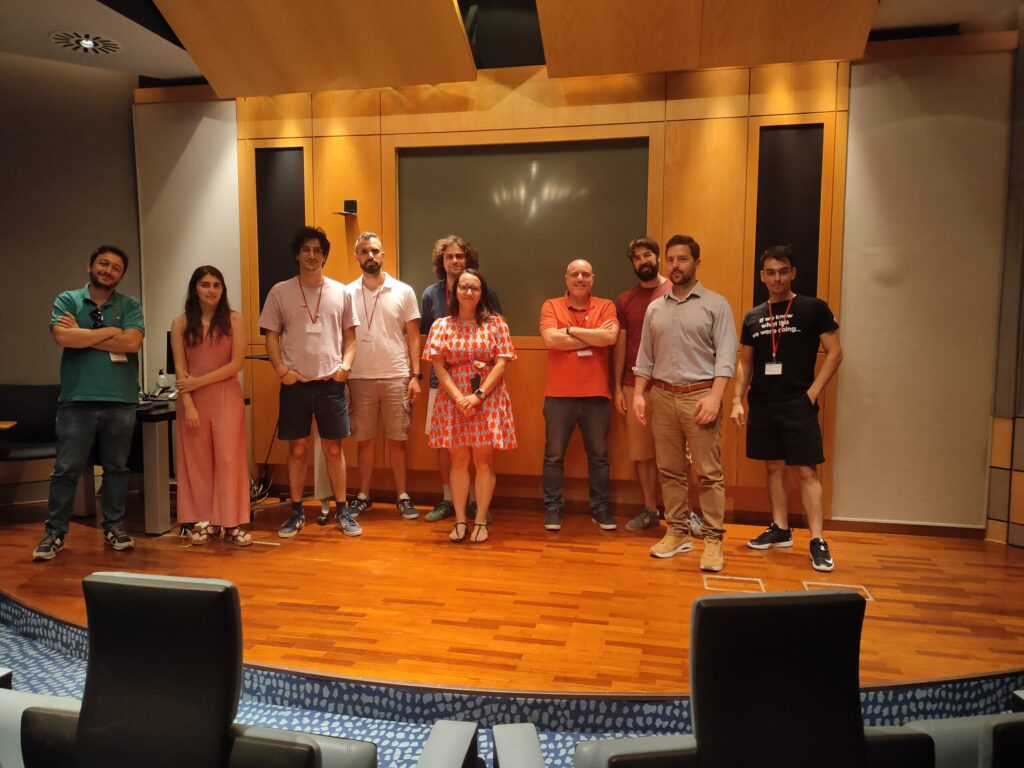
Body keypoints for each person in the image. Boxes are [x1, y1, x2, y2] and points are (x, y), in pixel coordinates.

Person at [730, 245, 843, 572]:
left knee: (806, 470)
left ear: (793, 273)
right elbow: (745, 362)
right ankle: (780, 529)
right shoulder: (753, 316)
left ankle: (817, 540)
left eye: (783, 272)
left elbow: (835, 352)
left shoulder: (813, 308)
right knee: (774, 467)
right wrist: (737, 399)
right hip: (763, 403)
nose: (777, 278)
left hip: (798, 402)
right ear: (762, 276)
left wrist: (812, 393)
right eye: (770, 272)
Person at [33, 245, 145, 561]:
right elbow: (64, 338)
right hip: (76, 400)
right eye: (103, 264)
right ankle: (54, 533)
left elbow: (132, 342)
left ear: (121, 275)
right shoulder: (68, 300)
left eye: (116, 268)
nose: (108, 270)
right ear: (90, 266)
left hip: (120, 400)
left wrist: (83, 334)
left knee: (116, 469)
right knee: (66, 469)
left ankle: (114, 528)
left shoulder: (129, 304)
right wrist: (110, 332)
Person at [633, 235, 737, 571]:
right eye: (671, 260)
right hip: (662, 396)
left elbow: (726, 358)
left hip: (701, 396)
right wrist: (639, 393)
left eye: (683, 259)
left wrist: (715, 398)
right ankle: (677, 532)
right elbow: (645, 357)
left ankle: (713, 540)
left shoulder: (716, 305)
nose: (675, 266)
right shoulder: (655, 308)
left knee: (708, 473)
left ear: (696, 262)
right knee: (669, 470)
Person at [258, 225, 360, 538]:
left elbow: (351, 337)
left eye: (317, 250)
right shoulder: (280, 292)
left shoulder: (341, 292)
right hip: (295, 385)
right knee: (298, 450)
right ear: (297, 255)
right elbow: (271, 336)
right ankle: (297, 511)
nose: (312, 256)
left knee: (333, 449)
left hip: (331, 383)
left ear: (325, 256)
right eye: (306, 250)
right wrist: (281, 371)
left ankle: (343, 511)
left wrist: (345, 368)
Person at [422, 268, 516, 543]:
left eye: (474, 287)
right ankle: (460, 519)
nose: (468, 292)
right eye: (463, 287)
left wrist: (478, 395)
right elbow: (438, 366)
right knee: (458, 460)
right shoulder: (441, 325)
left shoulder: (496, 324)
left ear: (482, 292)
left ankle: (481, 520)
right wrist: (459, 397)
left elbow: (501, 363)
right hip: (453, 399)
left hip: (488, 397)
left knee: (483, 461)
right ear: (455, 291)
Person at [420, 235, 502, 523]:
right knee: (447, 445)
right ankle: (449, 500)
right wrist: (454, 392)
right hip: (443, 383)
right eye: (449, 257)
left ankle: (476, 504)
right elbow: (428, 336)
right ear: (441, 262)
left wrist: (478, 392)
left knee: (479, 449)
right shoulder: (430, 294)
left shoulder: (486, 292)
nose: (454, 261)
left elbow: (497, 342)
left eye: (459, 256)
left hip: (481, 387)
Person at [171, 266, 251, 546]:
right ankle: (206, 522)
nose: (211, 290)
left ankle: (231, 523)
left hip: (226, 395)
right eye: (205, 284)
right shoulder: (180, 323)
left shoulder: (234, 320)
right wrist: (188, 402)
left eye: (217, 285)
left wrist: (199, 381)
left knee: (228, 459)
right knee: (198, 462)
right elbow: (180, 367)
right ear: (195, 288)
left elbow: (236, 364)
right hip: (192, 400)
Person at [345, 232, 422, 519]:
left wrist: (415, 375)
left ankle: (402, 495)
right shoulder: (346, 293)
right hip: (359, 376)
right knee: (364, 440)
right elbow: (343, 336)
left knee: (397, 440)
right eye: (365, 251)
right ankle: (363, 496)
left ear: (383, 254)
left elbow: (414, 336)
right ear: (357, 256)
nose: (370, 256)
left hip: (396, 375)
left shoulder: (403, 291)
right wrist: (344, 376)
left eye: (375, 251)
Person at [540, 259, 620, 532]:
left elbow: (610, 338)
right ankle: (553, 507)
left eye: (585, 274)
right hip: (558, 395)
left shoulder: (606, 306)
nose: (580, 278)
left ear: (592, 279)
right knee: (553, 456)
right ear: (566, 279)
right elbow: (551, 340)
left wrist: (570, 330)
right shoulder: (551, 306)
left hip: (596, 395)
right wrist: (593, 337)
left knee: (599, 456)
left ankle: (600, 507)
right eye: (575, 274)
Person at [613, 236, 671, 532]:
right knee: (642, 454)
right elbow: (621, 345)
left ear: (657, 257)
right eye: (636, 258)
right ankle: (650, 509)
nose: (642, 261)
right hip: (633, 387)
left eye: (647, 255)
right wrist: (617, 387)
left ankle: (681, 513)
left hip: (672, 387)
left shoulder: (676, 291)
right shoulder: (625, 300)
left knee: (676, 455)